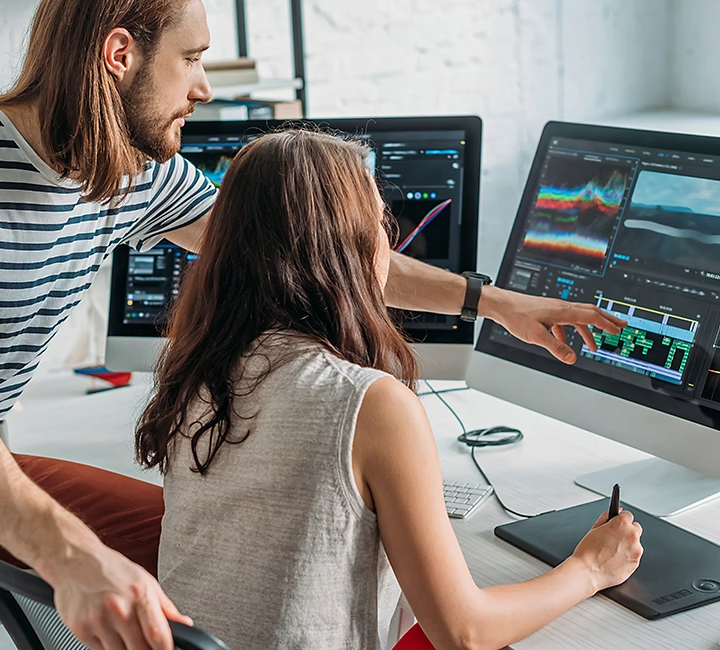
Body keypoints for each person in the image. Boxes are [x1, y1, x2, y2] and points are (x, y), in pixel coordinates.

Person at [0, 0, 628, 648]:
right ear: (120, 54)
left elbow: (296, 241)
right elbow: (463, 631)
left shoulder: (130, 175)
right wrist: (72, 557)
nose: (204, 87)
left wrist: (490, 301)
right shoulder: (373, 405)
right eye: (190, 58)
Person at [136, 129, 643, 650]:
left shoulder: (197, 370)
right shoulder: (369, 403)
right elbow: (463, 633)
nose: (388, 240)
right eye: (378, 222)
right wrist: (590, 568)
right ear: (349, 247)